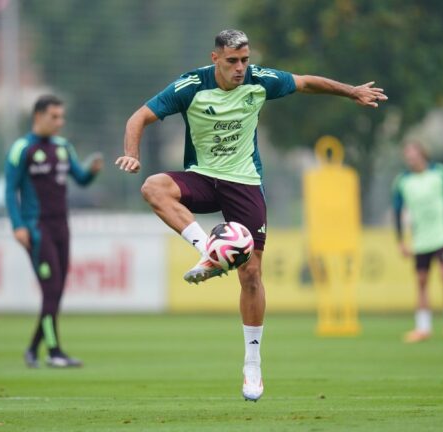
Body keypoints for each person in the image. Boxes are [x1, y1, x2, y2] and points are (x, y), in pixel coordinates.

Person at [115, 29, 387, 401]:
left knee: (252, 273)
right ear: (215, 59)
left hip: (244, 181)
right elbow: (138, 118)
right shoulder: (190, 85)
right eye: (232, 61)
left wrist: (352, 91)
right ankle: (209, 249)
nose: (241, 68)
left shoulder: (260, 80)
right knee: (153, 187)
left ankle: (252, 363)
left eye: (244, 59)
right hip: (202, 177)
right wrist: (132, 153)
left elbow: (306, 83)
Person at [5, 95, 103, 368]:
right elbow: (9, 191)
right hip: (37, 229)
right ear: (38, 117)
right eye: (54, 117)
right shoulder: (21, 149)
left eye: (61, 117)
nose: (60, 122)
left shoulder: (63, 147)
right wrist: (18, 226)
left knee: (56, 290)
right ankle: (54, 352)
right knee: (51, 289)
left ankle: (32, 349)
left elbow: (80, 179)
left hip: (62, 227)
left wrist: (92, 171)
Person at [392, 141, 443, 343]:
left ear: (422, 154)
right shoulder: (402, 181)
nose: (410, 158)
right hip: (421, 239)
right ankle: (423, 327)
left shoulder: (440, 173)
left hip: (442, 235)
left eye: (413, 154)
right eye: (407, 155)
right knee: (421, 281)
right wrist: (400, 241)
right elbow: (397, 212)